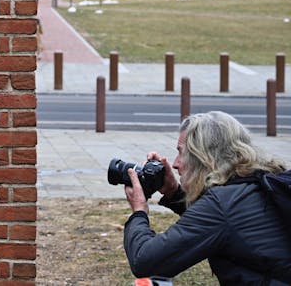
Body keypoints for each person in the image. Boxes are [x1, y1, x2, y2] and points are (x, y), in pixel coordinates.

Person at [122, 111, 291, 284]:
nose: (175, 164)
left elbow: (145, 261)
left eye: (181, 153)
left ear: (202, 158)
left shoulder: (222, 204)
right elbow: (219, 223)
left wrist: (139, 211)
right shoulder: (258, 181)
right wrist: (174, 193)